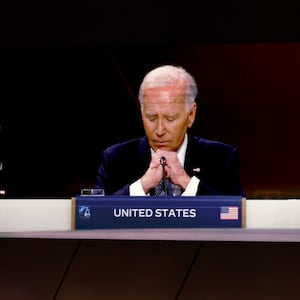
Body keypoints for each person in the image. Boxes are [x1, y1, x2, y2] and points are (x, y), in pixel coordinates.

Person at [95, 65, 244, 197]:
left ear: (191, 115)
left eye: (170, 118)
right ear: (142, 113)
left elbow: (234, 213)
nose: (159, 131)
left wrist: (187, 182)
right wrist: (142, 185)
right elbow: (97, 214)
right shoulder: (116, 159)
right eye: (151, 118)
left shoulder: (221, 158)